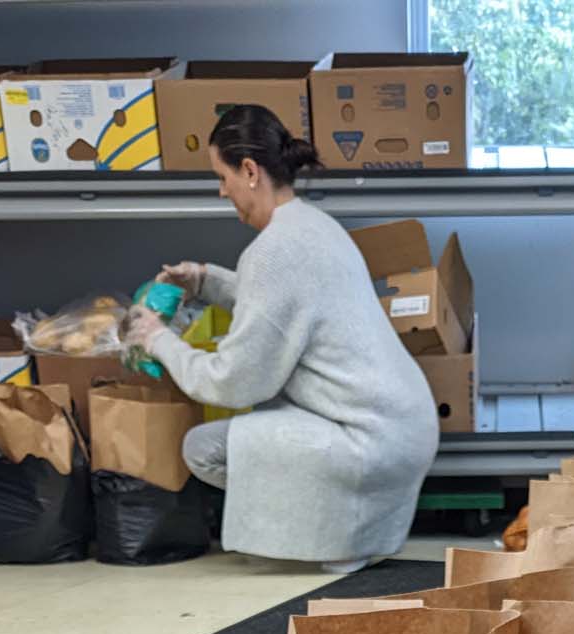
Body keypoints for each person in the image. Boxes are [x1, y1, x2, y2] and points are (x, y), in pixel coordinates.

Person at [120, 105, 440, 571]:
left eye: (222, 176)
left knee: (203, 448)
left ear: (249, 171)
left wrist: (156, 339)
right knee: (271, 414)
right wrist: (206, 281)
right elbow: (284, 306)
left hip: (366, 441)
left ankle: (336, 540)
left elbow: (231, 384)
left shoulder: (272, 252)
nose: (221, 190)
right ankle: (348, 533)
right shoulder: (313, 225)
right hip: (404, 426)